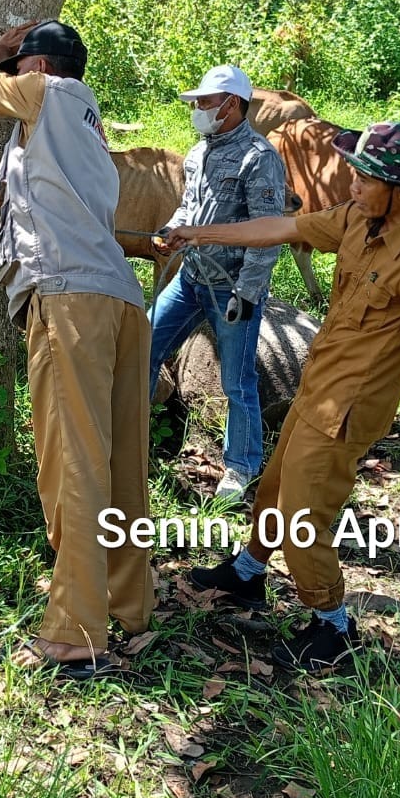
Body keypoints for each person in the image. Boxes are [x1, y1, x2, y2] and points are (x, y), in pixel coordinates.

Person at [0, 20, 152, 679]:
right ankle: (128, 604)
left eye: (24, 66)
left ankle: (76, 633)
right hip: (118, 301)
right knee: (121, 458)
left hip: (70, 301)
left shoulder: (51, 93)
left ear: (38, 65)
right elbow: (2, 195)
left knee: (72, 460)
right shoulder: (71, 135)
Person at [170, 122, 400, 669]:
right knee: (273, 489)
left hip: (346, 413)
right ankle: (249, 573)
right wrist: (201, 233)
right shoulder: (360, 216)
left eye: (364, 177)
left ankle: (333, 625)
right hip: (316, 389)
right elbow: (284, 227)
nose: (351, 183)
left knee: (304, 520)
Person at [148, 64, 288, 501]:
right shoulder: (199, 153)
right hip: (191, 278)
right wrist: (170, 232)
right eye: (198, 102)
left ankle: (239, 468)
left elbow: (267, 235)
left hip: (231, 288)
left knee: (236, 380)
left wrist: (246, 295)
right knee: (142, 344)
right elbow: (189, 210)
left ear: (232, 105)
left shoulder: (259, 159)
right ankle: (130, 432)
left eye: (205, 102)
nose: (198, 109)